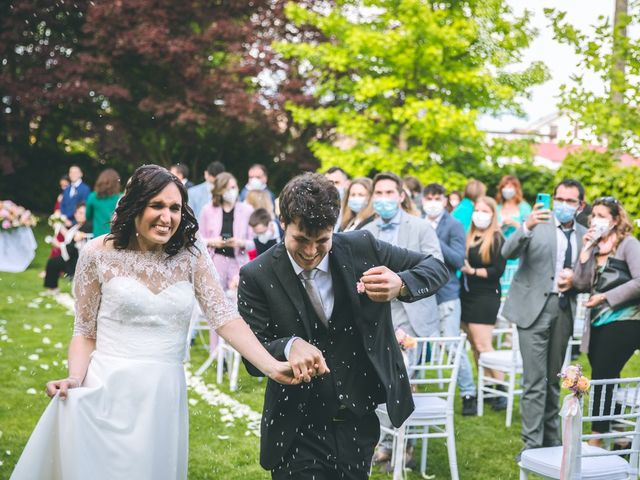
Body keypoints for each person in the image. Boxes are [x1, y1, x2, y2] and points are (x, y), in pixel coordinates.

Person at [11, 165, 297, 480]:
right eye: (157, 206)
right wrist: (76, 380)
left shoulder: (191, 255)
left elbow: (224, 317)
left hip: (162, 397)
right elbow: (84, 332)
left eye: (175, 208)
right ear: (135, 205)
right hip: (106, 391)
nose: (167, 217)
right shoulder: (97, 253)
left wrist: (271, 366)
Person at [237, 173, 449, 479]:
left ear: (334, 227)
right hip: (297, 428)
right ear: (283, 222)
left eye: (322, 240)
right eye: (301, 240)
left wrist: (401, 283)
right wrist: (288, 345)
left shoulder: (361, 247)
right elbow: (252, 355)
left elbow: (435, 267)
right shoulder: (257, 275)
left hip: (357, 422)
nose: (310, 252)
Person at [502, 179, 587, 455]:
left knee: (554, 377)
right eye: (558, 199)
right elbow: (507, 252)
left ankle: (551, 438)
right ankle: (531, 443)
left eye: (570, 201)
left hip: (563, 309)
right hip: (532, 310)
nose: (563, 205)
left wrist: (575, 280)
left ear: (580, 206)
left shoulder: (585, 235)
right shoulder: (536, 224)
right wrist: (525, 226)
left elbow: (589, 277)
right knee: (535, 380)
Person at [572, 196, 640, 445]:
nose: (596, 220)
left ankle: (597, 437)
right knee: (608, 373)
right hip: (597, 322)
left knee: (602, 375)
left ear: (615, 220)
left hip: (627, 319)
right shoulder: (594, 246)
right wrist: (584, 252)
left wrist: (605, 297)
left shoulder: (628, 244)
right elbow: (580, 284)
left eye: (602, 216)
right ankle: (621, 433)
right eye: (594, 216)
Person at [422, 183, 478, 416]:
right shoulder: (416, 222)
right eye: (429, 198)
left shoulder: (453, 225)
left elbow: (457, 259)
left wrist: (432, 236)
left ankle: (468, 393)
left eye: (437, 198)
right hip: (422, 294)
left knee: (452, 345)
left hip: (447, 293)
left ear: (445, 201)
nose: (433, 202)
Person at [459, 196, 507, 410]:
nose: (479, 214)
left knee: (483, 345)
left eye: (485, 211)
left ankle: (501, 387)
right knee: (474, 347)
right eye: (477, 210)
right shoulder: (468, 235)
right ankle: (487, 386)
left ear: (493, 214)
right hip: (466, 295)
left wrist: (473, 271)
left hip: (486, 296)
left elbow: (498, 271)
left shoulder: (497, 238)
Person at [199, 172, 255, 353]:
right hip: (217, 260)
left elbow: (255, 241)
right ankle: (217, 351)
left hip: (239, 261)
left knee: (237, 305)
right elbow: (199, 238)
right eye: (228, 188)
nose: (232, 191)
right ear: (220, 190)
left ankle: (241, 349)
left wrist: (240, 242)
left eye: (234, 187)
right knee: (216, 305)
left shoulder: (246, 210)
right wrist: (212, 241)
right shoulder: (208, 210)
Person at [495, 175, 532, 300]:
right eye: (505, 186)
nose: (507, 189)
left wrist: (515, 224)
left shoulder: (524, 208)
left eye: (510, 186)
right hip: (499, 252)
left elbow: (530, 229)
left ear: (517, 189)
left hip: (518, 255)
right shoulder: (497, 207)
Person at [43, 203, 93, 292]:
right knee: (53, 262)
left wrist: (58, 245)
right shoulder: (77, 226)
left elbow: (72, 244)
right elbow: (69, 238)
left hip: (77, 257)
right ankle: (52, 287)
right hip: (72, 254)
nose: (79, 215)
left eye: (82, 213)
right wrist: (60, 226)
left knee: (54, 262)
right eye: (78, 212)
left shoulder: (87, 226)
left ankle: (53, 288)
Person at [85, 168, 122, 237]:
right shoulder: (120, 197)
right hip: (115, 236)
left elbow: (88, 216)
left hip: (98, 236)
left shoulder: (92, 197)